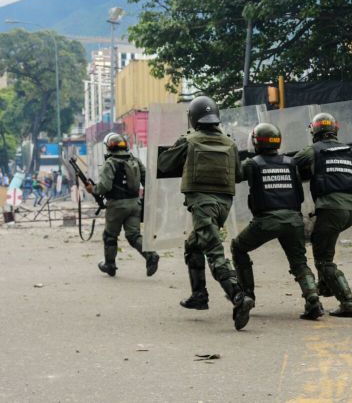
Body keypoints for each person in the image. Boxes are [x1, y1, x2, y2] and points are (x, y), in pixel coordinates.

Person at [157, 96, 254, 331]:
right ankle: (199, 295)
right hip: (223, 206)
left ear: (193, 118)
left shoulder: (188, 140)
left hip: (202, 205)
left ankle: (238, 296)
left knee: (213, 251)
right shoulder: (229, 143)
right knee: (193, 246)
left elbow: (163, 164)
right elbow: (239, 175)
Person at [231, 123, 324, 321]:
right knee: (299, 262)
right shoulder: (291, 163)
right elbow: (299, 192)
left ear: (256, 141)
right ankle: (313, 298)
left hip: (267, 220)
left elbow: (235, 176)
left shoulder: (252, 163)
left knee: (238, 248)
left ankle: (247, 295)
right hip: (293, 220)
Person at [293, 113, 352, 317]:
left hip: (332, 209)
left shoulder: (314, 151)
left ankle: (348, 303)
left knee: (323, 259)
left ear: (314, 131)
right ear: (335, 129)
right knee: (322, 241)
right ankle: (326, 286)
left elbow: (289, 164)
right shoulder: (351, 151)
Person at [86, 133, 160, 278]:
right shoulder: (135, 160)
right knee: (133, 235)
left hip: (117, 207)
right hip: (135, 204)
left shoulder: (111, 163)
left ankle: (110, 265)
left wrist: (92, 189)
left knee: (110, 236)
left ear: (108, 147)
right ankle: (151, 255)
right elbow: (148, 182)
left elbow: (104, 187)